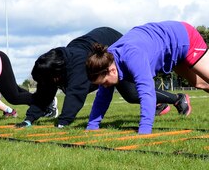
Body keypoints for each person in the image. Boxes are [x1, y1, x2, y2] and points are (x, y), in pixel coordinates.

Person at [84, 20, 209, 134]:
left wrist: (144, 131)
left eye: (104, 83)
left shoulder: (131, 57)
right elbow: (103, 97)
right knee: (200, 83)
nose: (105, 87)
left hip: (183, 39)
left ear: (111, 71)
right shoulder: (107, 60)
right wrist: (92, 127)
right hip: (169, 49)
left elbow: (147, 94)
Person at [16, 27, 191, 128]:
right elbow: (44, 93)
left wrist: (63, 122)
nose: (47, 84)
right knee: (111, 90)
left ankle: (177, 98)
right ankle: (158, 104)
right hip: (94, 57)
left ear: (55, 74)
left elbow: (76, 95)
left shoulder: (77, 64)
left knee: (131, 94)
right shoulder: (53, 67)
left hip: (113, 46)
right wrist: (29, 120)